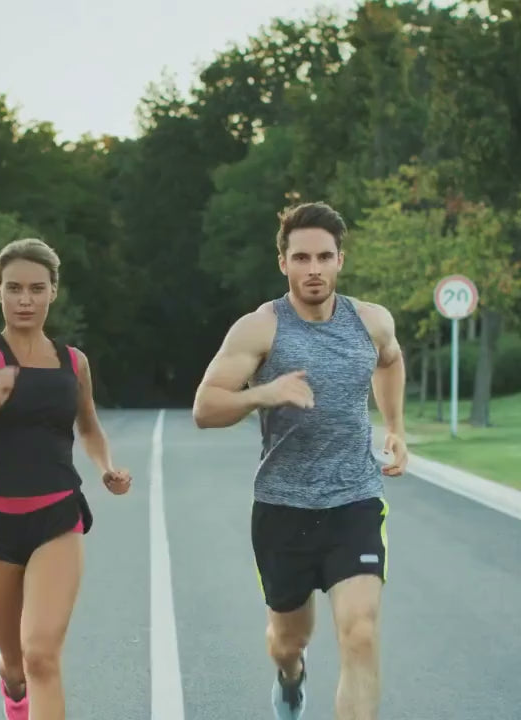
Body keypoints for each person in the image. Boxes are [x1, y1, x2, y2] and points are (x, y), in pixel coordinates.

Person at [191, 201, 408, 720]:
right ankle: (290, 678)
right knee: (289, 641)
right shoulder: (260, 328)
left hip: (355, 501)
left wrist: (396, 427)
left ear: (340, 261)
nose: (314, 269)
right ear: (283, 262)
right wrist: (261, 395)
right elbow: (205, 408)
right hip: (283, 509)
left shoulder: (371, 321)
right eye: (302, 257)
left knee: (360, 632)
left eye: (324, 257)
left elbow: (391, 360)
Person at [0, 237, 132, 720]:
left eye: (37, 289)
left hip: (56, 517)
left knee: (41, 657)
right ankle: (14, 692)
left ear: (53, 291)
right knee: (17, 665)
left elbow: (89, 428)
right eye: (14, 288)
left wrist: (106, 468)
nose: (25, 300)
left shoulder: (72, 362)